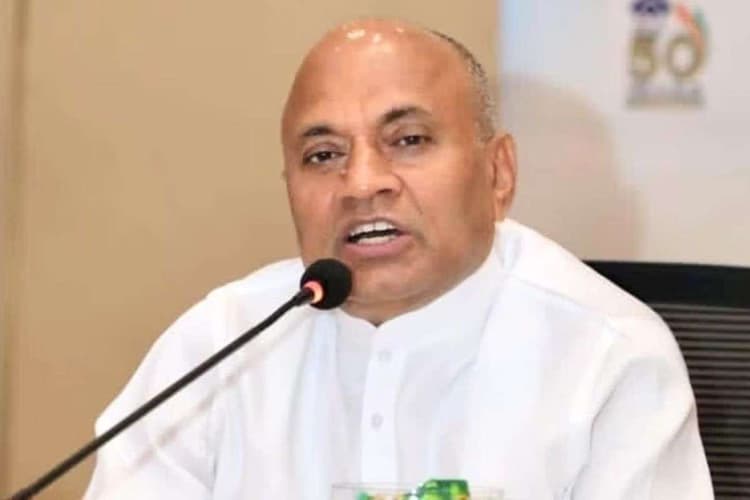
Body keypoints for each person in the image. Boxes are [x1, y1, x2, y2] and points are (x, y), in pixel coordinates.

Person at [85, 19, 712, 499]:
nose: (362, 184)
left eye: (408, 140)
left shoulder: (609, 357)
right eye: (323, 155)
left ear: (498, 173)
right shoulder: (217, 348)